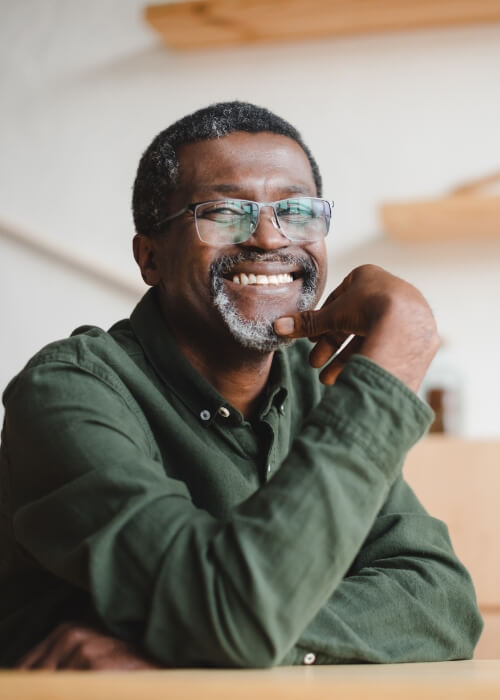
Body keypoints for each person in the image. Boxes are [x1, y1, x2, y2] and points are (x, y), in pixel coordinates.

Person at [0, 102, 482, 670]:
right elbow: (229, 615)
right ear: (149, 256)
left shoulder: (317, 381)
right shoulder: (68, 391)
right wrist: (389, 370)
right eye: (226, 212)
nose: (269, 239)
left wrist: (197, 643)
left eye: (297, 210)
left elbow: (440, 604)